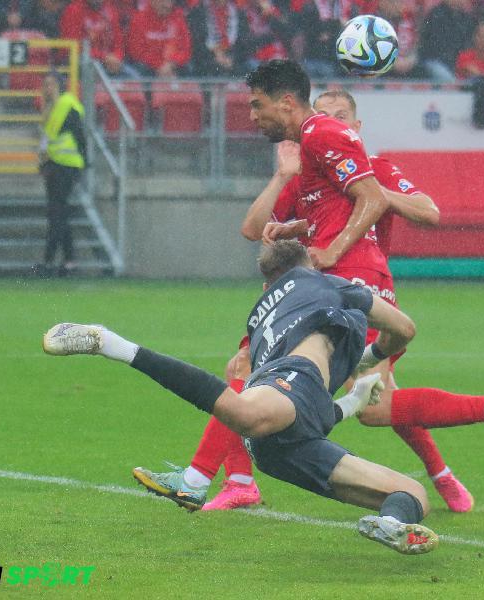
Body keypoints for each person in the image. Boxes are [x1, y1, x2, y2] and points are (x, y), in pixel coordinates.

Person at [133, 73, 484, 513]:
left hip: (351, 277)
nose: (331, 123)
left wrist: (350, 221)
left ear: (355, 127)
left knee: (260, 369)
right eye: (325, 115)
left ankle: (209, 479)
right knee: (366, 400)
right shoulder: (311, 165)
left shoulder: (364, 162)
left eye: (340, 117)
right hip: (336, 278)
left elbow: (420, 210)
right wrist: (295, 217)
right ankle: (465, 445)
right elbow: (260, 227)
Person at [43, 240, 442, 555]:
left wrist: (353, 400)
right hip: (290, 387)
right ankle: (108, 342)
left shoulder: (260, 315)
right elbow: (404, 329)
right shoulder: (327, 284)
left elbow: (306, 413)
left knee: (412, 495)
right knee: (247, 415)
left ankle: (390, 525)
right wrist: (371, 357)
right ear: (309, 265)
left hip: (282, 438)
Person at [36, 71, 86, 277]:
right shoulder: (51, 108)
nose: (47, 89)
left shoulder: (66, 105)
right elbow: (47, 139)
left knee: (56, 214)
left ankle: (48, 261)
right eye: (45, 85)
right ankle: (69, 261)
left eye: (51, 84)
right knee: (59, 213)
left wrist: (83, 163)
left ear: (59, 85)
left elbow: (80, 136)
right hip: (54, 164)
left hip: (65, 165)